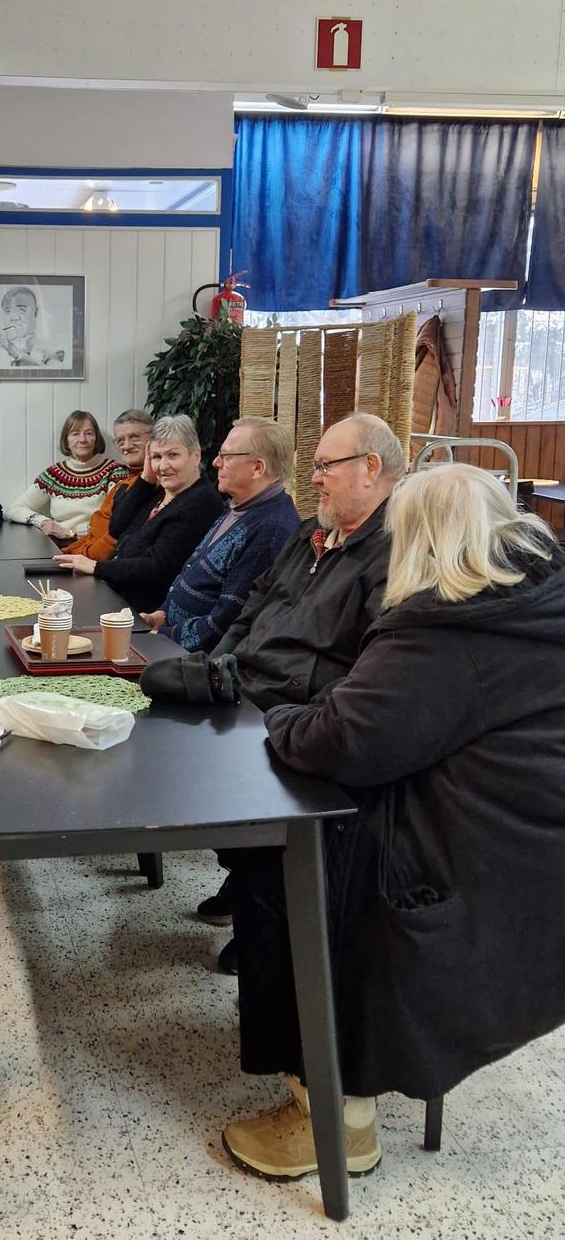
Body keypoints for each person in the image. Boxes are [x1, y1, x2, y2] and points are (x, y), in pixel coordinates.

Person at [221, 464, 565, 1182]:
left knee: (281, 865)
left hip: (459, 864)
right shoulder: (538, 599)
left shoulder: (450, 624)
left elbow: (345, 739)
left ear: (418, 538)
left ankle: (334, 1112)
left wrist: (278, 716)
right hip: (531, 859)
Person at [141, 413, 406, 967]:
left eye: (326, 466)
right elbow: (252, 606)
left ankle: (263, 908)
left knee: (196, 760)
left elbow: (370, 666)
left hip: (291, 710)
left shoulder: (392, 552)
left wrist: (264, 698)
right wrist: (215, 666)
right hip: (245, 684)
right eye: (315, 466)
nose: (314, 477)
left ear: (371, 468)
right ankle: (245, 874)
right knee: (150, 715)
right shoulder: (309, 534)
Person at [140, 417, 300, 652]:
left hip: (194, 659)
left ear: (258, 468)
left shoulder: (271, 530)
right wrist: (161, 616)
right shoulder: (240, 507)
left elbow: (227, 621)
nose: (216, 462)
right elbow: (195, 575)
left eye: (226, 456)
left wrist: (161, 636)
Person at [55, 415, 225, 612]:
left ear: (195, 456)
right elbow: (116, 528)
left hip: (144, 610)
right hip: (118, 595)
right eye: (156, 457)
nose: (163, 466)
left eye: (173, 455)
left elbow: (156, 567)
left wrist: (95, 567)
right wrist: (145, 478)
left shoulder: (201, 501)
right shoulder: (161, 490)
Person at [7, 411, 127, 541]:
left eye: (89, 433)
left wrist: (70, 532)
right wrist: (43, 522)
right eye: (75, 434)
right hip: (57, 546)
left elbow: (117, 521)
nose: (82, 439)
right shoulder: (54, 474)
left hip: (95, 545)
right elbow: (15, 509)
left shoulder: (114, 472)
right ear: (66, 440)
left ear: (96, 439)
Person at [61, 408, 154, 560]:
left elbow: (111, 542)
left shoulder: (151, 483)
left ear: (153, 439)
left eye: (134, 437)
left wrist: (76, 558)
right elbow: (96, 533)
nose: (127, 446)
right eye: (120, 440)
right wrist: (66, 553)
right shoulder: (123, 483)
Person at [0, 285, 66, 367]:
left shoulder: (53, 349)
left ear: (35, 312)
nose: (14, 318)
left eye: (21, 310)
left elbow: (51, 372)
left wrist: (11, 349)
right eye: (8, 311)